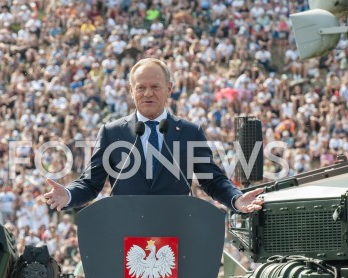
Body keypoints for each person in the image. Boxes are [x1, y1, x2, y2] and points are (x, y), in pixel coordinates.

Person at [44, 58, 263, 213]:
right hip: (126, 234)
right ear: (132, 91)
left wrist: (235, 199)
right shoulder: (112, 133)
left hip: (175, 232)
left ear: (169, 89)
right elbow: (91, 184)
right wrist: (69, 195)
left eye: (155, 87)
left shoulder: (189, 132)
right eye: (141, 87)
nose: (148, 93)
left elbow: (213, 181)